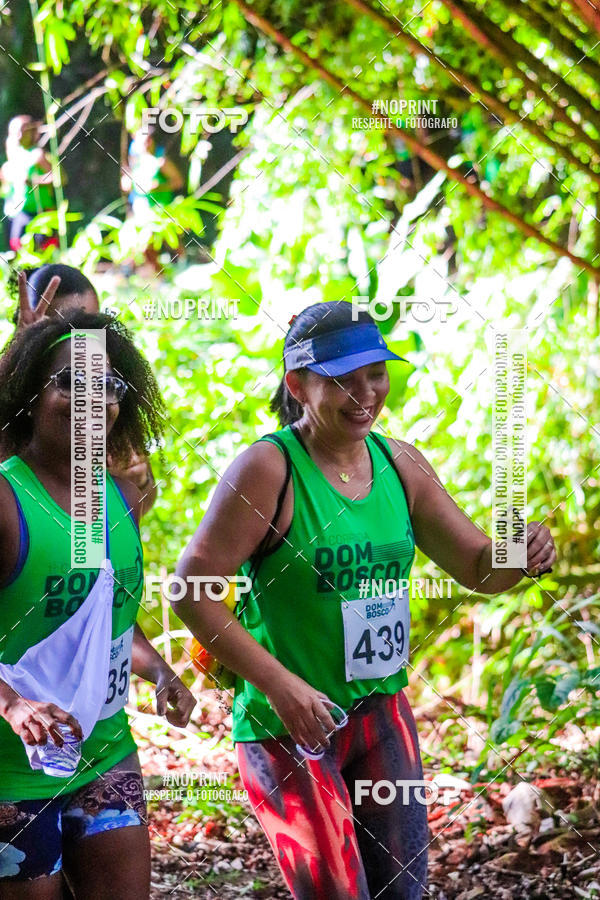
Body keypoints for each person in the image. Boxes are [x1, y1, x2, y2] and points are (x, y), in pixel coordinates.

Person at [172, 301, 557, 899]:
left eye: (374, 374)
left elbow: (478, 568)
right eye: (341, 380)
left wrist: (520, 552)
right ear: (297, 384)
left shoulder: (399, 463)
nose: (364, 394)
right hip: (289, 727)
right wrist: (280, 685)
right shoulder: (267, 469)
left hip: (380, 715)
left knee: (402, 892)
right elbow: (189, 590)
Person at [0, 310, 196, 898]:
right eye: (71, 382)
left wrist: (160, 670)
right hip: (12, 768)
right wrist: (13, 706)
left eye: (108, 385)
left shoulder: (120, 494)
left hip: (106, 748)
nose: (93, 399)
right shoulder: (8, 500)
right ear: (31, 395)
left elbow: (102, 620)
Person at [8, 264, 158, 515]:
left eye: (88, 325)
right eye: (58, 327)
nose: (77, 339)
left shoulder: (107, 393)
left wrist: (138, 479)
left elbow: (143, 495)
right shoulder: (18, 392)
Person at [121, 129, 184, 271]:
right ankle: (161, 275)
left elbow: (178, 181)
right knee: (144, 245)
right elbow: (126, 186)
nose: (144, 145)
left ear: (151, 141)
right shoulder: (135, 163)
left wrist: (159, 186)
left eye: (146, 141)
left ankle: (182, 266)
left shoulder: (160, 161)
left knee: (172, 242)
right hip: (141, 212)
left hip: (161, 211)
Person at [0, 116, 58, 252]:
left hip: (41, 211)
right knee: (18, 248)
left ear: (31, 132)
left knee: (43, 249)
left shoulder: (37, 154)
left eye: (22, 131)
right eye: (14, 132)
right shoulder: (14, 157)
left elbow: (55, 178)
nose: (18, 136)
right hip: (20, 211)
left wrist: (34, 181)